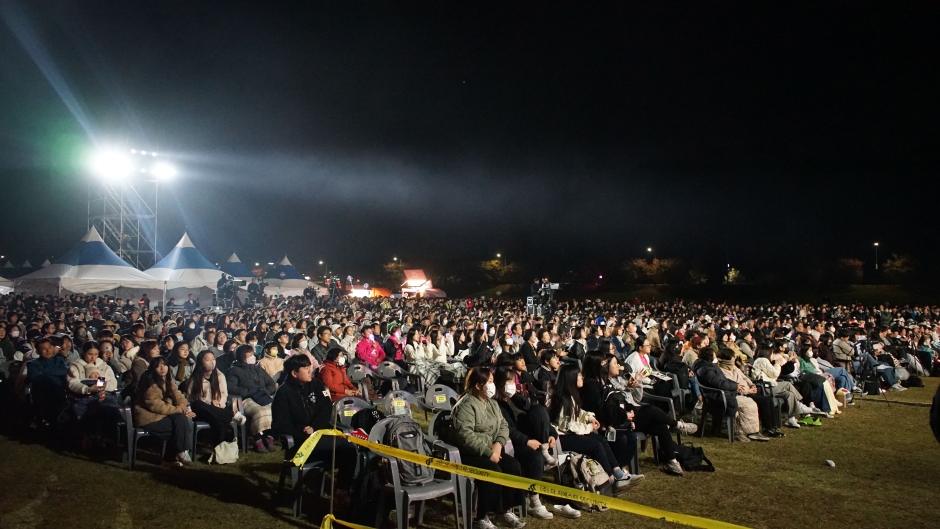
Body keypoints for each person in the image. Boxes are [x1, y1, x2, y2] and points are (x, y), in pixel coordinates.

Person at [582, 351, 696, 476]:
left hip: (626, 415)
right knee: (649, 410)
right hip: (617, 420)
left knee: (659, 426)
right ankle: (676, 425)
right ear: (598, 365)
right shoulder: (594, 385)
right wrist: (625, 412)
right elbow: (604, 407)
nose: (620, 366)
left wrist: (634, 386)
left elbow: (632, 399)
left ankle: (672, 461)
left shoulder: (612, 380)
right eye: (613, 363)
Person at [548, 363, 644, 493]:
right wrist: (588, 428)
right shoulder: (563, 399)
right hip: (562, 438)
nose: (582, 377)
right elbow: (568, 426)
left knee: (600, 440)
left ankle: (618, 473)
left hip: (570, 433)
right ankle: (611, 481)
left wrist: (589, 418)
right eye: (579, 375)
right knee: (595, 445)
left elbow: (578, 412)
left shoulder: (572, 395)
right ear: (571, 378)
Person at [492, 366, 574, 519]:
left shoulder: (516, 399)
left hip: (534, 438)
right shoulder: (496, 404)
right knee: (534, 458)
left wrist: (551, 434)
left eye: (513, 380)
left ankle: (545, 450)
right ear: (499, 383)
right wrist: (527, 441)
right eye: (508, 381)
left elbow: (539, 416)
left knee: (537, 409)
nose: (512, 384)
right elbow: (507, 430)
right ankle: (534, 502)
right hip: (512, 443)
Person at [452, 367, 527, 529]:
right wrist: (487, 452)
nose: (493, 385)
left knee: (513, 466)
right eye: (490, 382)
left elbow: (503, 426)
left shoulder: (492, 404)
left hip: (493, 449)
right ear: (479, 386)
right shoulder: (466, 405)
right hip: (470, 453)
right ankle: (480, 517)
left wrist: (499, 444)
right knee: (493, 470)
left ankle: (504, 511)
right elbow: (466, 435)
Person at [272, 354, 358, 495]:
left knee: (350, 448)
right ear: (294, 373)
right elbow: (280, 423)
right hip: (301, 442)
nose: (309, 371)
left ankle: (342, 491)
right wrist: (301, 430)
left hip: (321, 432)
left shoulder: (316, 384)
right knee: (345, 449)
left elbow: (326, 408)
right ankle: (339, 492)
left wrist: (315, 427)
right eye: (305, 368)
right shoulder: (283, 393)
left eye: (309, 367)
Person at [133, 356, 196, 468]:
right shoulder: (150, 382)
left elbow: (178, 394)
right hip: (149, 418)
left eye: (165, 365)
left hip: (162, 415)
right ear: (153, 368)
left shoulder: (167, 380)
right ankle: (179, 453)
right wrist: (179, 409)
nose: (162, 368)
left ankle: (173, 457)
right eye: (158, 366)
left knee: (181, 420)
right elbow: (156, 406)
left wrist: (182, 404)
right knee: (178, 426)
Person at [693, 348, 764, 442]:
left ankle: (744, 431)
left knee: (748, 402)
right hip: (718, 397)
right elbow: (719, 383)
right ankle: (748, 432)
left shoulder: (707, 367)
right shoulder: (705, 369)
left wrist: (735, 385)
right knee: (749, 404)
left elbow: (723, 381)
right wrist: (735, 387)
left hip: (723, 394)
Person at [181, 350, 245, 449]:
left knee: (220, 422)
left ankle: (218, 451)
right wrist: (209, 402)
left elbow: (224, 394)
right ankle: (231, 414)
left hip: (217, 410)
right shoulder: (195, 379)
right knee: (197, 404)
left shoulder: (220, 376)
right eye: (207, 359)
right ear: (201, 363)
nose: (212, 361)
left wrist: (219, 403)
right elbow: (190, 399)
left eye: (213, 359)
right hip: (200, 411)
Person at [66, 341, 120, 448]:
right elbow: (73, 384)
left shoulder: (104, 366)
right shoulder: (76, 366)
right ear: (83, 353)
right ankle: (88, 435)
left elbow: (113, 382)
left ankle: (104, 436)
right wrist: (88, 389)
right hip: (83, 396)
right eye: (90, 354)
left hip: (103, 395)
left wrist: (105, 386)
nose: (93, 357)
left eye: (96, 354)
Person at [226, 344, 278, 452]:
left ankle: (269, 435)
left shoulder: (258, 369)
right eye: (249, 355)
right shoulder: (234, 371)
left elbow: (271, 384)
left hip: (262, 396)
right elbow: (231, 387)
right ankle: (257, 438)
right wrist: (248, 392)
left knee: (275, 408)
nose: (252, 356)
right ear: (242, 357)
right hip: (245, 399)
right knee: (260, 411)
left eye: (252, 354)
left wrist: (266, 392)